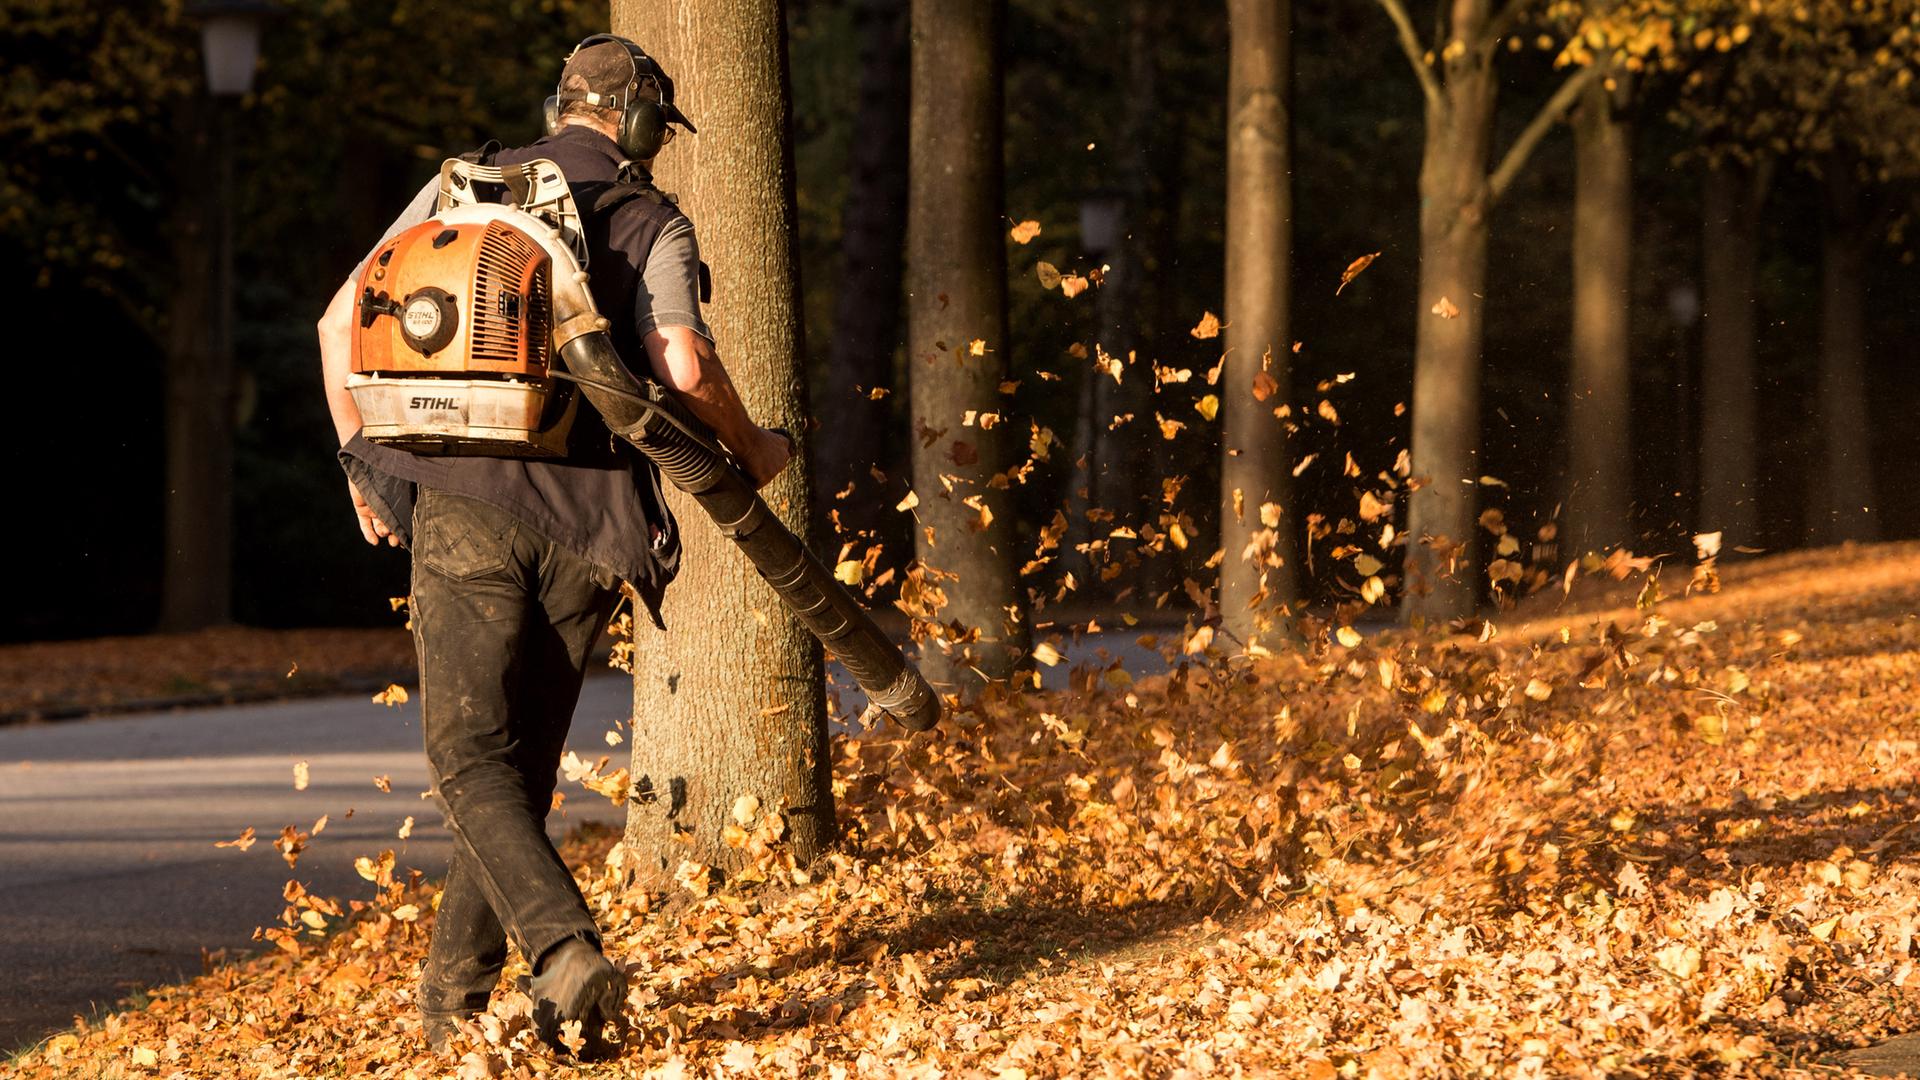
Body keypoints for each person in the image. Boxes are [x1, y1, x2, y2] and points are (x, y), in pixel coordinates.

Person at [313, 34, 791, 1057]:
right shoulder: (652, 217)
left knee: (468, 761)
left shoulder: (464, 191)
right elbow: (684, 361)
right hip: (593, 527)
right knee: (511, 770)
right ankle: (459, 1011)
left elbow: (335, 324)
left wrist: (366, 465)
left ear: (559, 105)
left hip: (461, 503)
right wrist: (756, 448)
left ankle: (563, 955)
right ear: (641, 122)